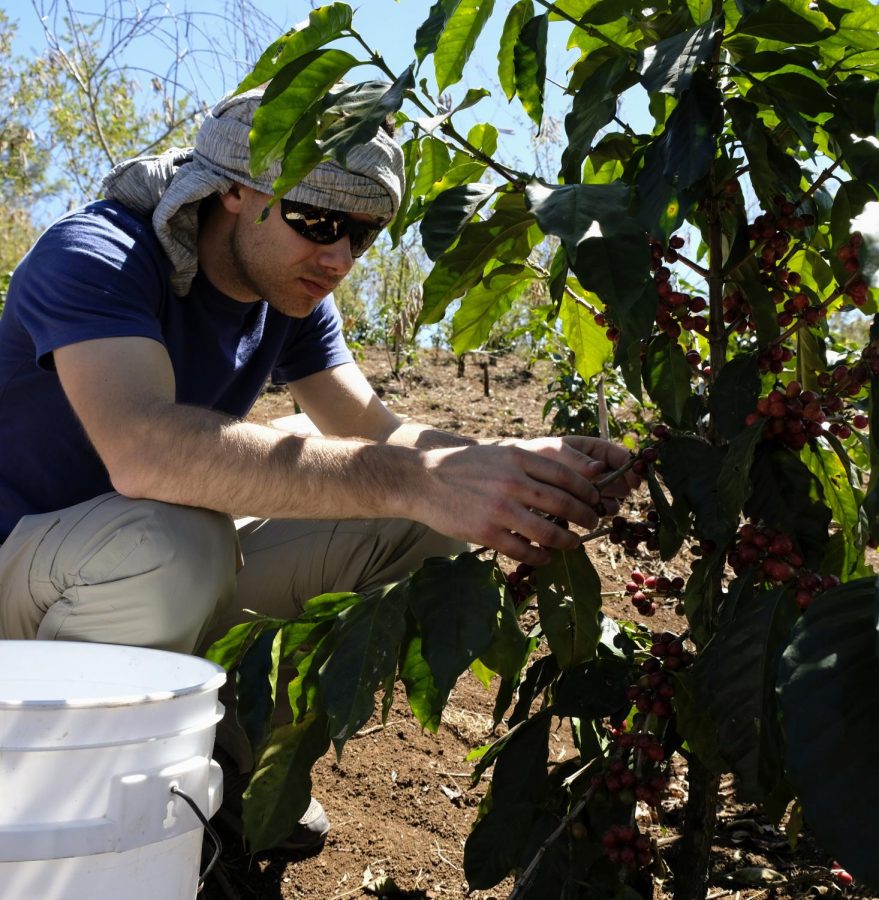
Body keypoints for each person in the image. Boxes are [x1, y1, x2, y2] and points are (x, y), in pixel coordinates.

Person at [0, 85, 638, 852]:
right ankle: (58, 807)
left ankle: (236, 766)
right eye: (318, 222)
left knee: (414, 512)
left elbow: (374, 430)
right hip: (25, 578)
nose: (337, 258)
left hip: (124, 571)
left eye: (363, 234)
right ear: (232, 189)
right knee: (177, 542)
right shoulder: (99, 255)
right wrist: (416, 478)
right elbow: (145, 451)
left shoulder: (291, 295)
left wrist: (509, 466)